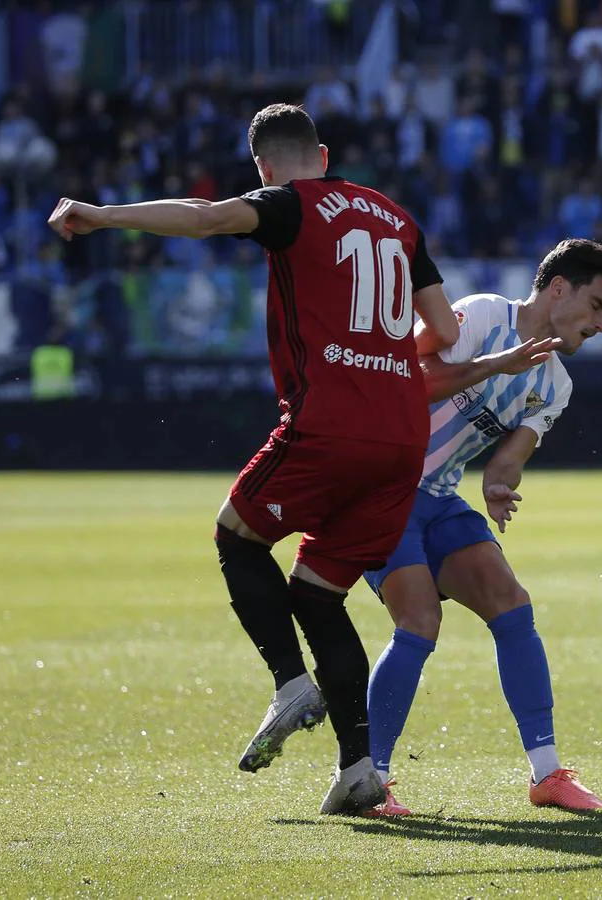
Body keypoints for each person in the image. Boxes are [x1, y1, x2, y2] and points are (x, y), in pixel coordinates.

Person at [47, 103, 463, 815]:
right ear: (323, 153)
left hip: (330, 426)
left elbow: (208, 219)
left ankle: (289, 682)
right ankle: (360, 767)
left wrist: (106, 215)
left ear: (263, 168)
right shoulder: (397, 218)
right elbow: (446, 329)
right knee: (317, 592)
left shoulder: (287, 204)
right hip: (401, 440)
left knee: (235, 537)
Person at [361, 239, 602, 817]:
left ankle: (547, 774)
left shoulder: (555, 384)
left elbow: (510, 457)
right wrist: (492, 365)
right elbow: (406, 374)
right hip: (379, 489)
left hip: (437, 499)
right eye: (597, 305)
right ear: (557, 288)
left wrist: (497, 486)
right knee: (420, 620)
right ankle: (372, 778)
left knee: (512, 606)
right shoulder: (484, 314)